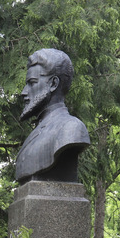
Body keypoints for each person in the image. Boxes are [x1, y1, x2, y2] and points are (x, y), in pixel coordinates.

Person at [14, 48, 91, 184]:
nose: (24, 92)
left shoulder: (71, 128)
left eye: (32, 83)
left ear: (53, 84)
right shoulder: (40, 130)